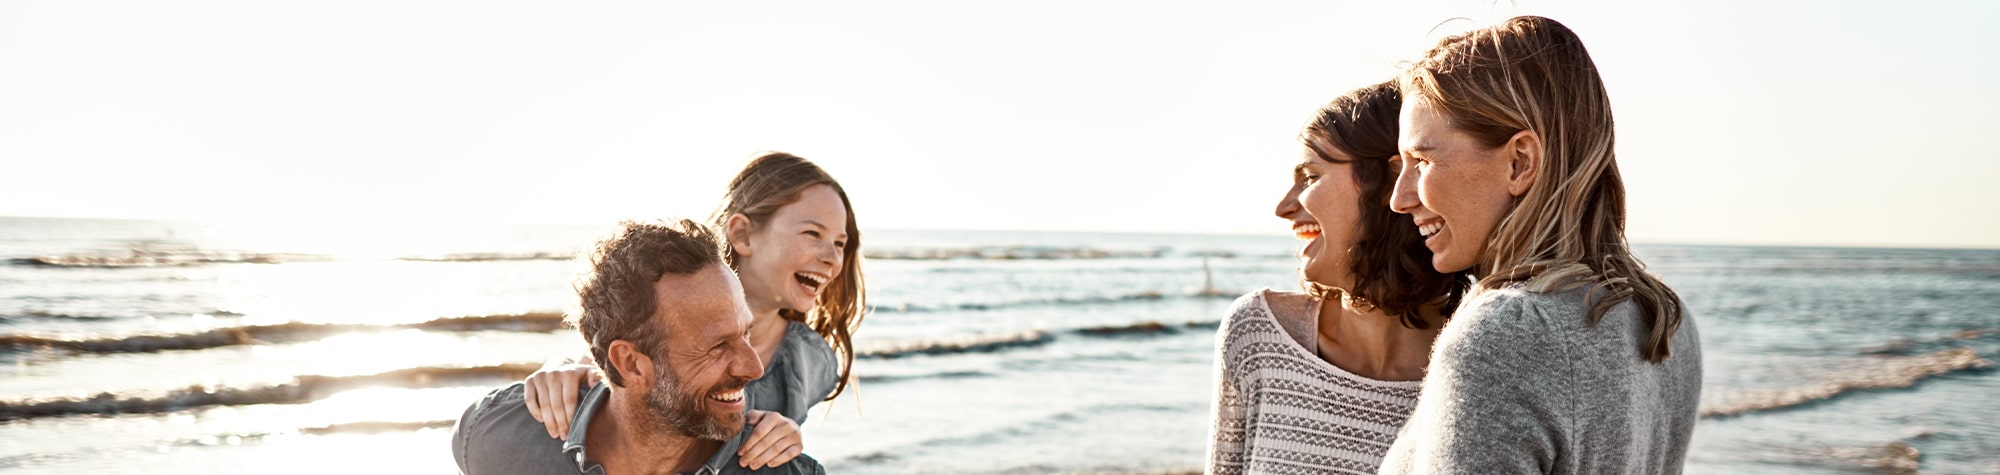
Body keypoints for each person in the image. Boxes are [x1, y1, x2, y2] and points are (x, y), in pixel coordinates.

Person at [1376, 16, 1703, 474]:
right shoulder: (1665, 321)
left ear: (1520, 161)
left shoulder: (1502, 335)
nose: (1400, 198)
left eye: (1423, 161)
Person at [523, 153, 865, 471]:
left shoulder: (810, 361)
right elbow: (616, 373)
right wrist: (563, 371)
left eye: (839, 242)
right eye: (812, 233)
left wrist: (787, 435)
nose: (833, 258)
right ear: (743, 234)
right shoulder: (661, 314)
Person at [1206, 80, 1470, 474]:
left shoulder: (1478, 367)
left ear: (1391, 182)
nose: (1284, 207)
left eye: (1310, 176)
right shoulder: (1257, 335)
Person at [451, 219, 824, 474]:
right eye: (717, 345)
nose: (752, 367)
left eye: (745, 334)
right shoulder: (496, 435)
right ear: (629, 364)